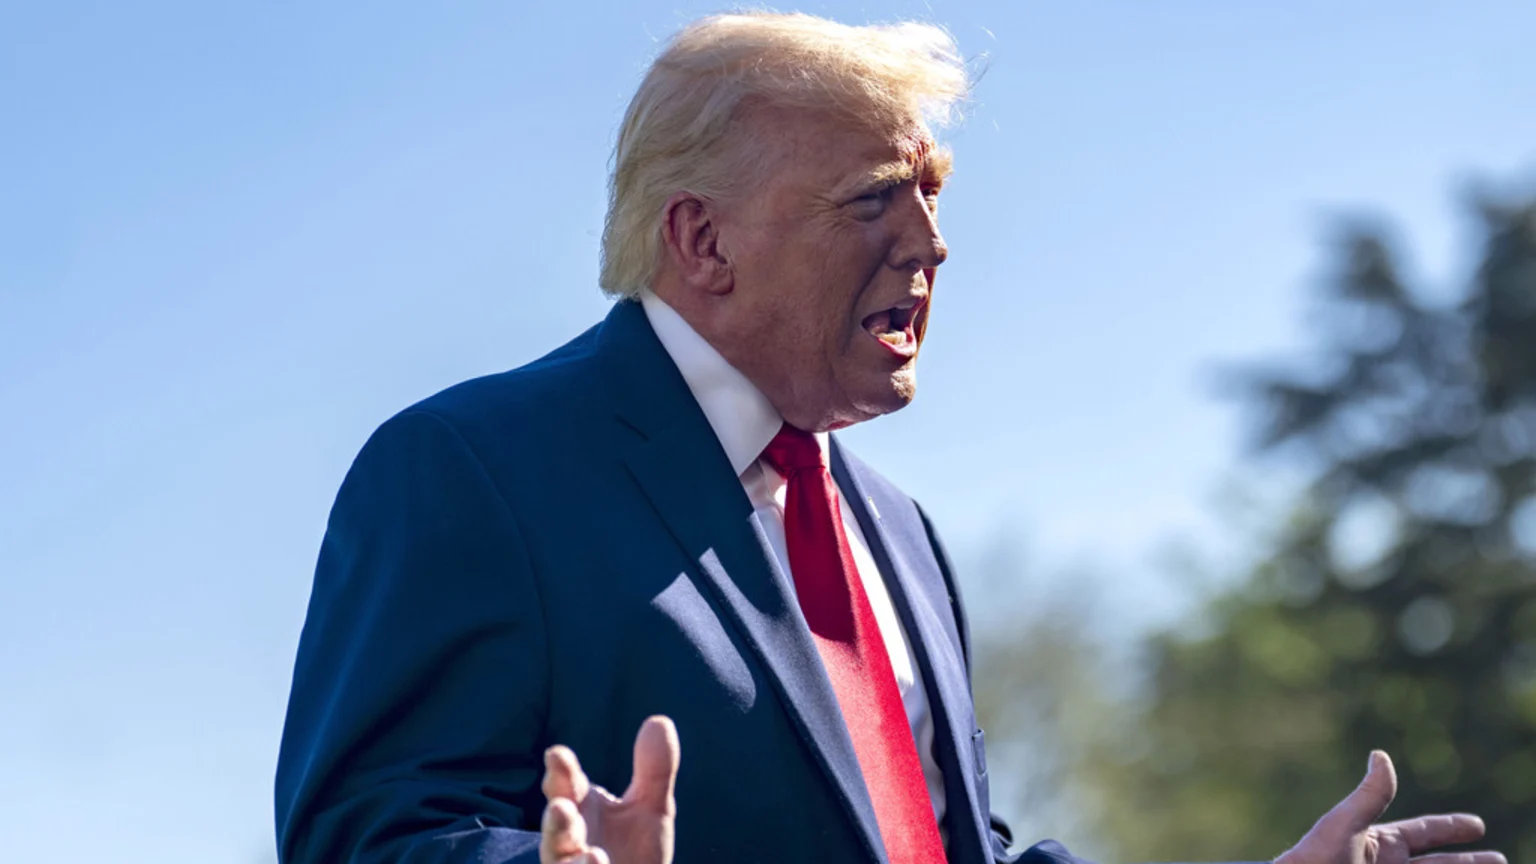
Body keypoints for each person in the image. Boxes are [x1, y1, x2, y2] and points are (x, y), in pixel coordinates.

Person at [273, 12, 1504, 864]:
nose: (931, 241)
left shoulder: (899, 534)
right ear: (702, 241)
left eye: (932, 190)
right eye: (873, 198)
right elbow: (363, 835)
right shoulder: (471, 470)